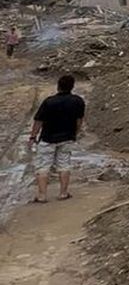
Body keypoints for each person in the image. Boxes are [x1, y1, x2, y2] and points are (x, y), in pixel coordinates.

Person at [29, 74, 86, 203]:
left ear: (58, 86)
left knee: (43, 166)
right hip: (67, 137)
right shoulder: (78, 101)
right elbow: (79, 120)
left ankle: (42, 196)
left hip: (48, 138)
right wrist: (75, 134)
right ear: (72, 86)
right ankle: (63, 193)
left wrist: (33, 136)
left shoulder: (49, 102)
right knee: (64, 164)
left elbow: (38, 121)